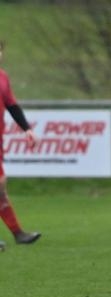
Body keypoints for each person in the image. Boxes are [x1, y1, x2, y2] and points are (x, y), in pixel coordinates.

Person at [0, 40, 41, 250]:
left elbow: (12, 105)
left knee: (0, 189)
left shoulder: (3, 77)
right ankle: (18, 233)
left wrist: (27, 129)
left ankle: (18, 233)